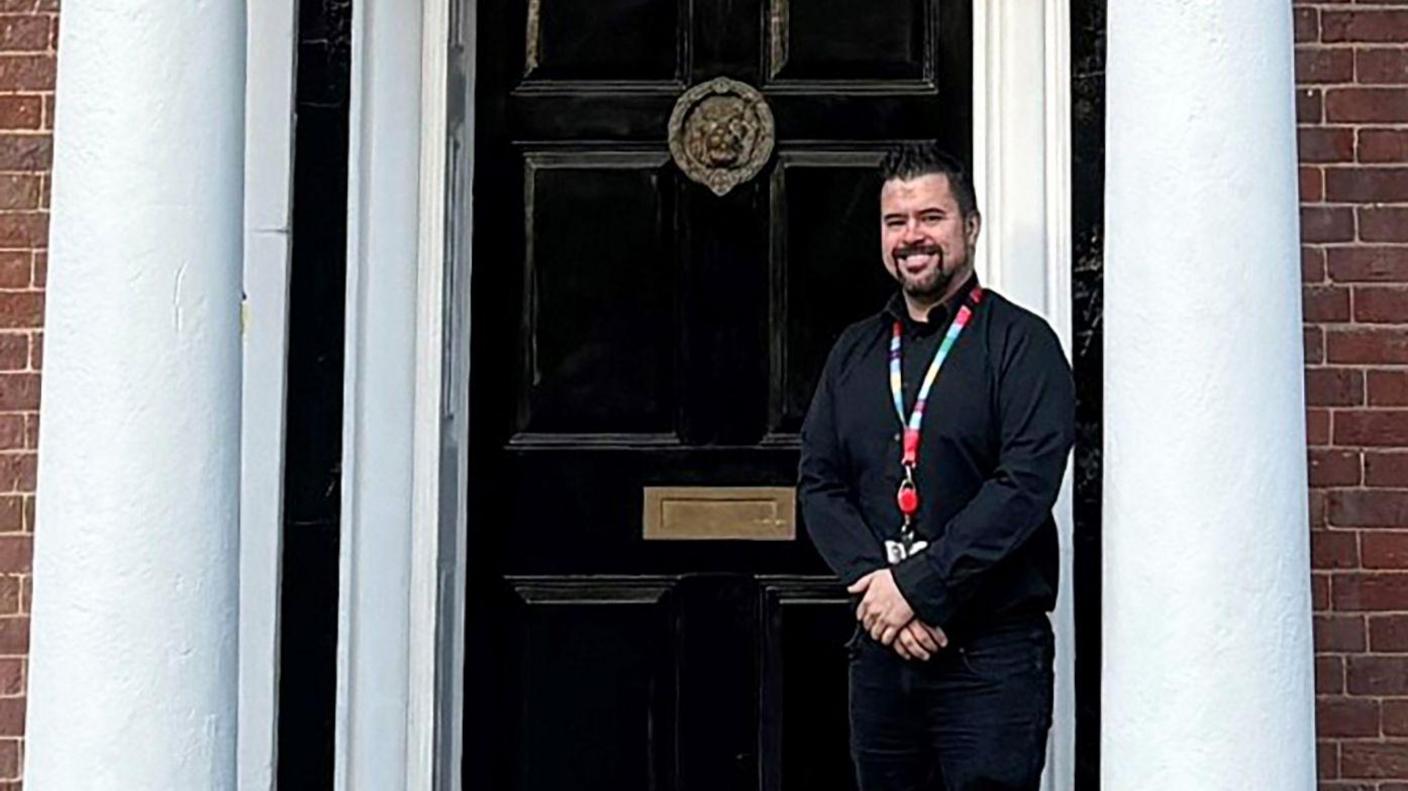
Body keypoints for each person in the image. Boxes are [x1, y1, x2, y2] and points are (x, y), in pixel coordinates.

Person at [798, 143, 1075, 791]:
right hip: (882, 649)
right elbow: (819, 479)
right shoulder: (855, 351)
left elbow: (1024, 485)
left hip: (990, 657)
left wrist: (919, 586)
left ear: (970, 226)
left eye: (931, 217)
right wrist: (877, 586)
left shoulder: (1023, 345)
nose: (912, 236)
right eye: (896, 222)